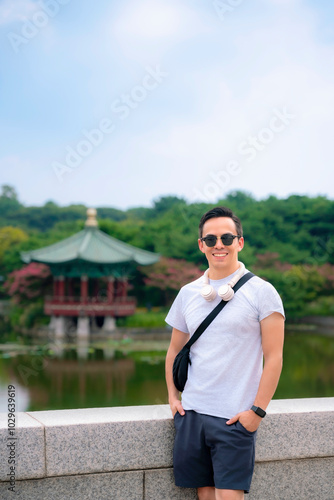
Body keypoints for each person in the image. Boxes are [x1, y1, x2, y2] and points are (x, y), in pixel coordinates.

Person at [165, 206, 285, 500]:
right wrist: (172, 396)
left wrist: (257, 412)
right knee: (205, 496)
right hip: (192, 414)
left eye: (227, 238)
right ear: (201, 245)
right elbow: (174, 350)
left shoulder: (263, 292)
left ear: (239, 242)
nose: (219, 245)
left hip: (234, 417)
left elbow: (275, 357)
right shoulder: (188, 293)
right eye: (211, 239)